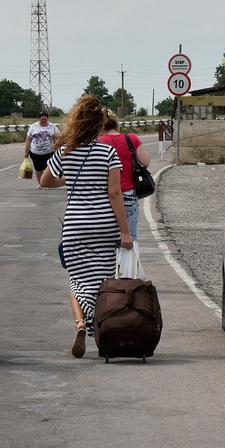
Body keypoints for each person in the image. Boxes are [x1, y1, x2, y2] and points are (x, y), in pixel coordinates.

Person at [39, 95, 133, 358]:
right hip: (105, 226)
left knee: (77, 281)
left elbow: (45, 181)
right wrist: (125, 232)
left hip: (76, 226)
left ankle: (81, 323)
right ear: (99, 125)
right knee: (103, 282)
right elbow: (115, 194)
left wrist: (67, 182)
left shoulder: (65, 151)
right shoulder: (108, 152)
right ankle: (104, 327)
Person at [97, 111, 152, 238]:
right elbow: (145, 161)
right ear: (116, 124)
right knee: (130, 237)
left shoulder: (99, 142)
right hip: (128, 194)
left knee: (108, 239)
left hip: (105, 196)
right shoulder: (131, 138)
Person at [24, 111, 58, 188]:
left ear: (47, 119)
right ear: (39, 119)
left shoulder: (52, 127)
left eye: (45, 119)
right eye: (42, 119)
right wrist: (26, 152)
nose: (44, 121)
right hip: (35, 153)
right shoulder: (33, 126)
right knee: (38, 169)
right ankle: (41, 184)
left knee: (49, 169)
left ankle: (48, 183)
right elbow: (28, 139)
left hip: (49, 152)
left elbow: (57, 138)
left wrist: (58, 148)